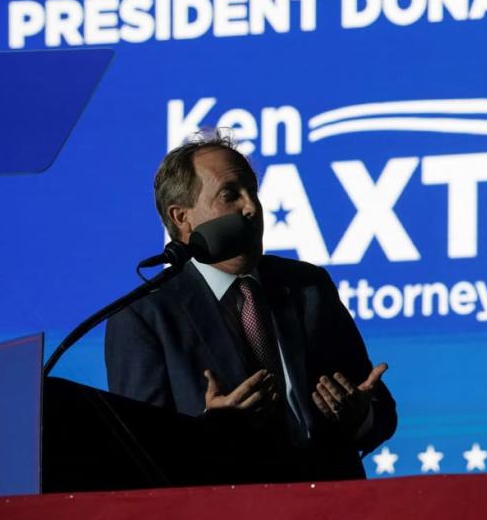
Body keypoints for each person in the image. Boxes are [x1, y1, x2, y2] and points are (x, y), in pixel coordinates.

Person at [105, 132, 396, 481]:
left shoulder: (308, 287)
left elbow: (381, 413)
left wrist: (359, 416)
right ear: (182, 217)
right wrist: (208, 431)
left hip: (330, 506)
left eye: (252, 192)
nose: (251, 207)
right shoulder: (144, 317)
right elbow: (140, 458)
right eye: (231, 195)